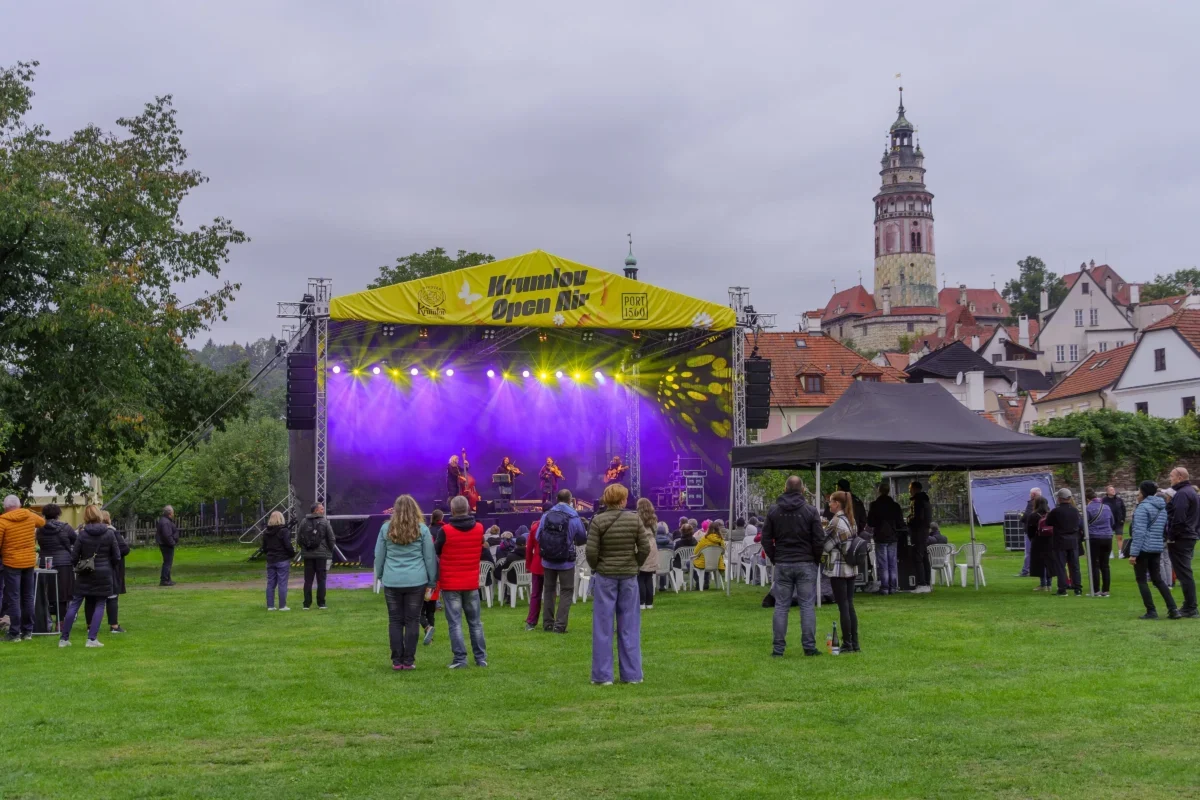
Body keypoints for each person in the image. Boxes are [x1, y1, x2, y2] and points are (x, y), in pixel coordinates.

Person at [586, 483, 650, 685]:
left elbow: (591, 552)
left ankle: (603, 676)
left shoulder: (598, 521)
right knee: (630, 625)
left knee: (603, 627)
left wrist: (597, 566)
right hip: (629, 577)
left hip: (605, 576)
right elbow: (645, 547)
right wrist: (635, 564)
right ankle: (632, 675)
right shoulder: (635, 519)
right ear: (623, 500)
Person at [762, 476, 825, 657]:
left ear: (784, 488)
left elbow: (766, 538)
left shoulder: (774, 511)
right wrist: (816, 559)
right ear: (803, 490)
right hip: (805, 562)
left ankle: (778, 649)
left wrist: (775, 557)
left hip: (783, 562)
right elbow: (818, 539)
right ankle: (809, 647)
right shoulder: (810, 511)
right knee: (806, 606)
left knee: (781, 606)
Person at [374, 495, 438, 670]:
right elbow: (430, 558)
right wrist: (432, 580)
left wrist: (380, 575)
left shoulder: (386, 529)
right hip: (416, 580)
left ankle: (397, 661)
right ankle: (409, 660)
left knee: (395, 620)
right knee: (412, 620)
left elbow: (379, 555)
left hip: (392, 579)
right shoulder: (422, 530)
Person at [434, 495, 487, 668]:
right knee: (476, 622)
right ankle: (481, 658)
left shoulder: (446, 531)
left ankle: (460, 659)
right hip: (471, 582)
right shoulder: (479, 528)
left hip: (451, 583)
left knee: (455, 623)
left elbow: (437, 551)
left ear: (452, 510)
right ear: (468, 508)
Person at [58, 505, 121, 648]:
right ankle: (92, 639)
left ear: (85, 517)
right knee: (100, 604)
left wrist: (79, 565)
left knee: (75, 604)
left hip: (85, 573)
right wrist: (108, 565)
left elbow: (74, 557)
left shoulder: (83, 534)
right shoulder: (109, 533)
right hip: (104, 573)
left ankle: (64, 638)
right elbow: (117, 556)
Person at [537, 489, 588, 633]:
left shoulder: (546, 515)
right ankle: (559, 625)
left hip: (548, 560)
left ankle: (547, 624)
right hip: (566, 561)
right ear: (570, 500)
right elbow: (582, 539)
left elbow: (537, 536)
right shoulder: (574, 517)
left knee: (549, 590)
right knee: (566, 591)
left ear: (556, 499)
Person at [1130, 481, 1179, 619]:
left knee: (1141, 580)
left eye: (1139, 492)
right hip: (1157, 546)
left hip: (1144, 547)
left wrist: (1133, 553)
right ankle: (1173, 609)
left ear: (1144, 493)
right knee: (1158, 579)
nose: (1137, 494)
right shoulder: (1161, 507)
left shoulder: (1142, 508)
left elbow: (1139, 532)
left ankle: (1151, 611)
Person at [0, 496, 45, 642]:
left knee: (13, 597)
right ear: (19, 504)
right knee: (28, 597)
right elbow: (42, 522)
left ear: (4, 506)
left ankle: (14, 632)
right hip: (28, 562)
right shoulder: (29, 515)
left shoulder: (2, 521)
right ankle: (28, 631)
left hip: (11, 562)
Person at [823, 491, 860, 653]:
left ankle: (847, 644)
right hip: (851, 567)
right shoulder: (850, 519)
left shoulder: (836, 521)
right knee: (850, 605)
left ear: (837, 503)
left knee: (843, 606)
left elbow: (825, 546)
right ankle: (855, 643)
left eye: (831, 501)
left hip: (838, 568)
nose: (829, 504)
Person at [1166, 467, 1198, 618]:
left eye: (1171, 476)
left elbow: (1178, 518)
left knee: (1184, 573)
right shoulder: (1191, 492)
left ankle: (1191, 607)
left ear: (1179, 477)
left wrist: (1171, 535)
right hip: (1189, 535)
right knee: (1184, 572)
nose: (1169, 479)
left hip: (1181, 537)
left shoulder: (1182, 494)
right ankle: (1189, 605)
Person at [35, 503, 76, 618]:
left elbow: (40, 543)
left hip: (45, 563)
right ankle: (61, 621)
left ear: (44, 514)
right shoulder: (66, 527)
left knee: (46, 593)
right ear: (58, 514)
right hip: (64, 563)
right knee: (63, 593)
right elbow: (75, 541)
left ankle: (45, 620)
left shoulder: (39, 530)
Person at [297, 503, 337, 610]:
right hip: (321, 555)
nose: (323, 510)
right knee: (321, 579)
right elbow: (331, 538)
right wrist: (329, 550)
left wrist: (305, 548)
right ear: (315, 510)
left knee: (308, 580)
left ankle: (306, 604)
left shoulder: (304, 522)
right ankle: (321, 603)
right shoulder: (324, 522)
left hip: (308, 555)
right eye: (321, 509)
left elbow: (299, 538)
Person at [866, 482, 903, 595]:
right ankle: (893, 586)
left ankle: (885, 587)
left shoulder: (875, 505)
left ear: (879, 491)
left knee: (883, 563)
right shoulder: (895, 505)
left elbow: (870, 522)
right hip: (892, 536)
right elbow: (900, 522)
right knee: (892, 562)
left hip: (880, 536)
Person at [1046, 488, 1083, 596]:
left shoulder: (1056, 511)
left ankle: (1062, 588)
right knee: (1074, 565)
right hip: (1073, 539)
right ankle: (1077, 588)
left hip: (1060, 540)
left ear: (1060, 499)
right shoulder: (1075, 510)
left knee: (1060, 565)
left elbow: (1048, 522)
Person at [101, 510, 129, 635]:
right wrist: (114, 558)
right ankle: (114, 625)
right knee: (112, 596)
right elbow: (124, 549)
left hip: (95, 568)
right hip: (111, 568)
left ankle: (90, 625)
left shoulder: (88, 532)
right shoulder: (112, 532)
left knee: (93, 598)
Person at [1084, 489, 1115, 597]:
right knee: (1105, 565)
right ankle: (1106, 590)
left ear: (1087, 499)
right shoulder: (1106, 507)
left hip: (1094, 537)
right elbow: (1112, 522)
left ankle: (1096, 590)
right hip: (1107, 537)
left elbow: (1084, 524)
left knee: (1094, 564)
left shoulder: (1088, 508)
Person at [262, 511, 295, 611]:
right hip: (282, 559)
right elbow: (288, 545)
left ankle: (270, 606)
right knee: (282, 583)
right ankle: (282, 605)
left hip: (271, 559)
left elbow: (264, 548)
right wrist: (291, 554)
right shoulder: (284, 531)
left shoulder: (266, 532)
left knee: (270, 583)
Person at [524, 503, 549, 631]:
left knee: (536, 594)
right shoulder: (555, 525)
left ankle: (531, 621)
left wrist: (528, 565)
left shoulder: (535, 526)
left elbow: (529, 549)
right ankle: (549, 621)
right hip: (552, 563)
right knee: (550, 593)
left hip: (537, 563)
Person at [424, 508, 448, 644]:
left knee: (421, 608)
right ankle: (429, 629)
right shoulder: (444, 529)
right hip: (438, 568)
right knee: (431, 604)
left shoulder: (427, 530)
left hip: (426, 572)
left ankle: (427, 628)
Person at [907, 481, 933, 594]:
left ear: (914, 489)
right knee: (924, 557)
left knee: (918, 557)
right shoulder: (926, 500)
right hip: (925, 531)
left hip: (918, 532)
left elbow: (917, 517)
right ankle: (927, 582)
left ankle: (922, 583)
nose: (909, 491)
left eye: (910, 489)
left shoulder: (917, 501)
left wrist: (909, 520)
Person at [1026, 495, 1054, 591]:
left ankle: (1043, 584)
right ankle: (1049, 584)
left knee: (1040, 563)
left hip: (1038, 540)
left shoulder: (1033, 516)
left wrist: (1032, 539)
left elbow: (1029, 530)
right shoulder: (1051, 515)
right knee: (1049, 562)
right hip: (1050, 541)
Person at [636, 498, 659, 610]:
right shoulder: (654, 519)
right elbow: (655, 533)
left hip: (642, 544)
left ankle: (641, 602)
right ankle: (649, 603)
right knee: (648, 576)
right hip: (652, 546)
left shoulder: (637, 519)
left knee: (640, 576)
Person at [693, 518, 727, 588]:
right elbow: (723, 552)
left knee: (689, 563)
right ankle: (705, 582)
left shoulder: (704, 539)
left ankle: (699, 581)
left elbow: (695, 552)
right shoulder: (721, 540)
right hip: (716, 563)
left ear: (709, 529)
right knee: (705, 563)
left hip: (703, 563)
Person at [1016, 487, 1042, 577]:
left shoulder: (1031, 503)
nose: (1029, 495)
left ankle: (1025, 570)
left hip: (1031, 531)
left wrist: (1022, 518)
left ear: (1033, 494)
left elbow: (1027, 515)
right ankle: (1036, 570)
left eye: (1030, 493)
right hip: (1041, 531)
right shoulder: (1044, 503)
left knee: (1028, 552)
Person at [155, 505, 179, 586]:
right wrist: (172, 543)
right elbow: (166, 535)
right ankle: (164, 580)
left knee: (168, 562)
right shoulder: (165, 522)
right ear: (170, 513)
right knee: (167, 563)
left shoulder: (165, 520)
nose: (173, 514)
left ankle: (168, 579)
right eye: (173, 512)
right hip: (166, 545)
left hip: (166, 544)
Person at [1103, 486, 1127, 561]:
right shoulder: (1104, 500)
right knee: (1109, 537)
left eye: (1113, 489)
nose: (1113, 491)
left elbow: (1123, 509)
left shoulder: (1119, 500)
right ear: (1107, 492)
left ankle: (1121, 552)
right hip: (1108, 521)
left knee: (1119, 537)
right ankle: (1110, 552)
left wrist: (1123, 519)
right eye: (1111, 490)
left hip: (1118, 521)